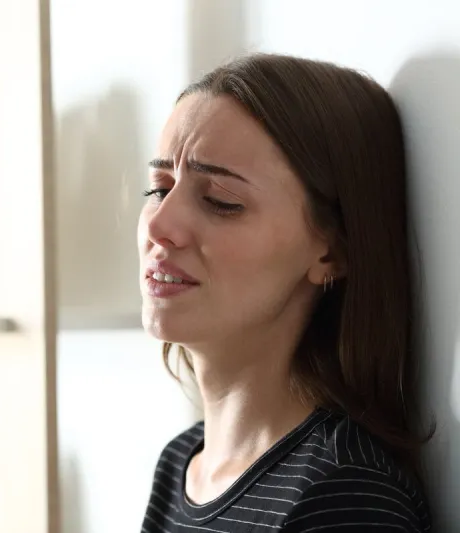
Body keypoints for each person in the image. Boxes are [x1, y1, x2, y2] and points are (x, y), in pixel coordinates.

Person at [139, 53, 433, 532]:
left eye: (220, 201)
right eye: (159, 188)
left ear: (332, 252)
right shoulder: (180, 463)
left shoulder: (345, 498)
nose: (158, 223)